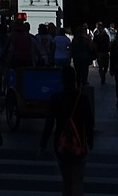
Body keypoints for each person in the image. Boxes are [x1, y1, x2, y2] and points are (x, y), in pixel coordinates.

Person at [39, 64, 95, 196]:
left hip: (61, 143)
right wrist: (90, 140)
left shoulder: (56, 99)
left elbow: (49, 123)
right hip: (79, 143)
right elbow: (89, 122)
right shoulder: (82, 98)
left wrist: (43, 144)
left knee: (66, 181)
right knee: (77, 182)